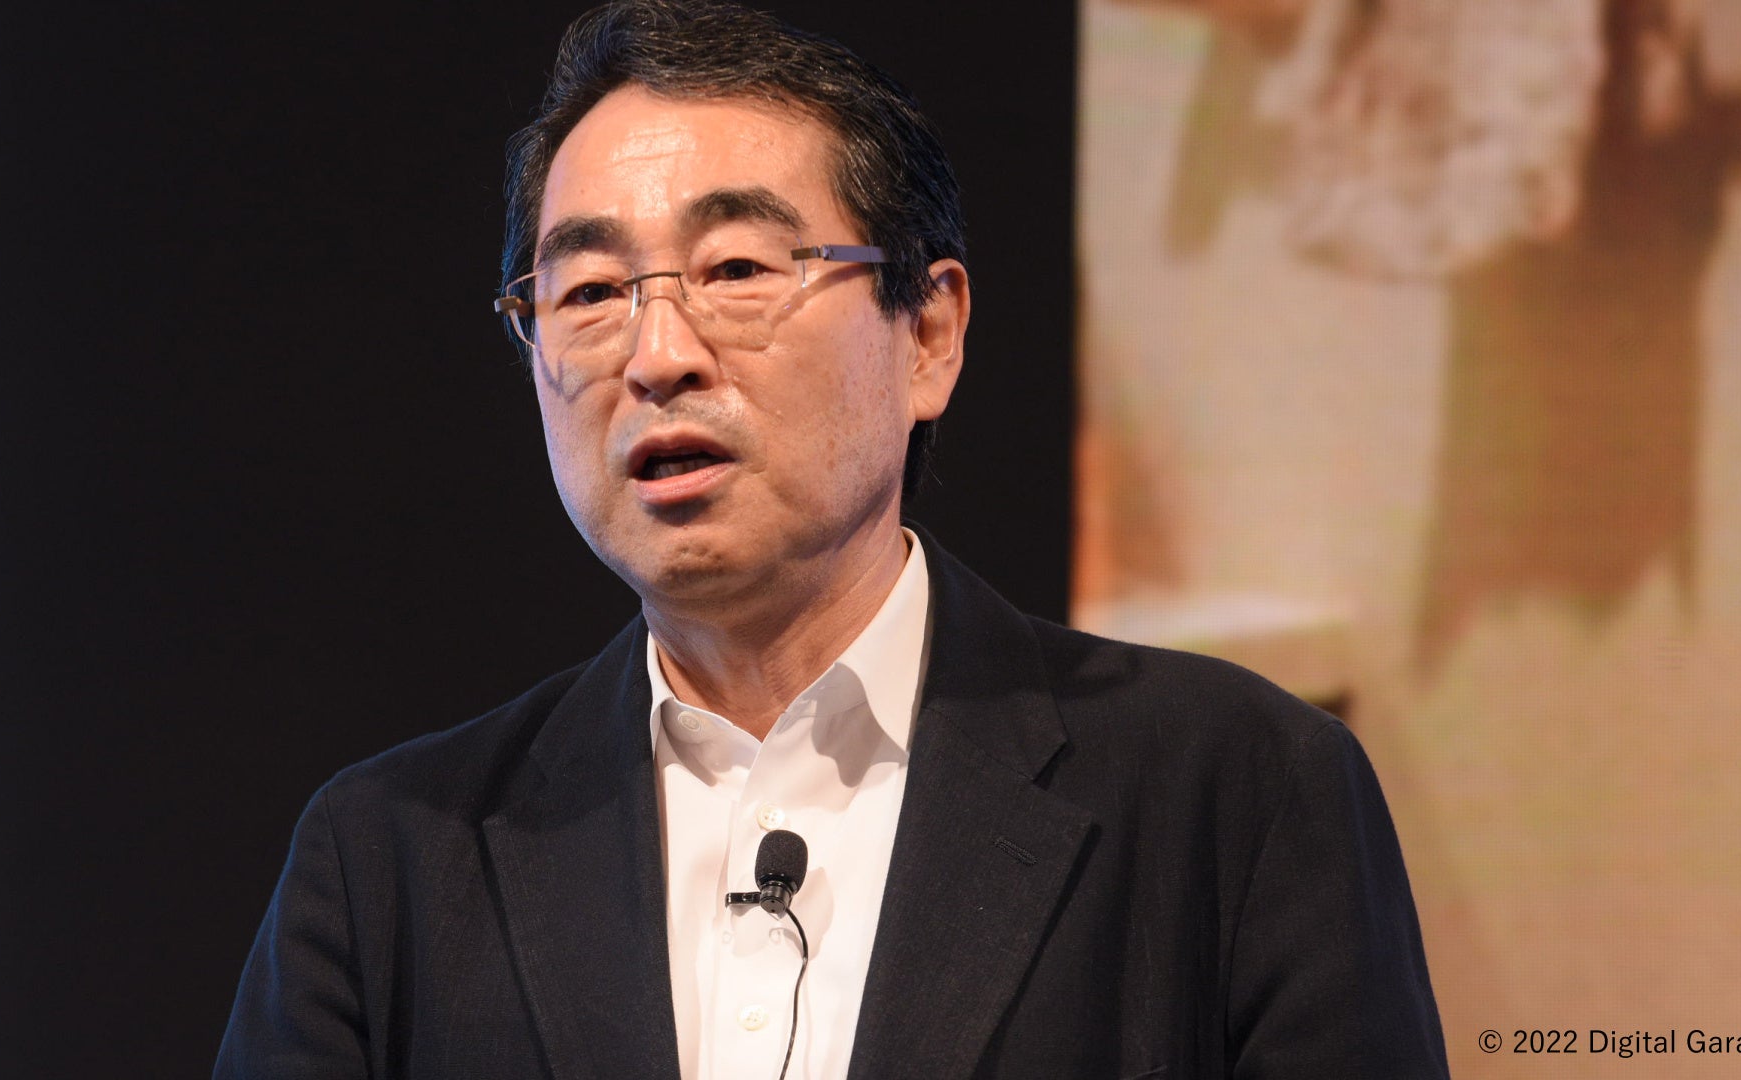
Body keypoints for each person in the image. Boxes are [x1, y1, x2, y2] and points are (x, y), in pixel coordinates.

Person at [214, 2, 1449, 1077]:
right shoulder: (388, 861)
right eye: (587, 293)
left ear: (930, 336)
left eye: (737, 269)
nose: (658, 356)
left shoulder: (1234, 792)